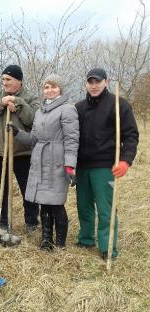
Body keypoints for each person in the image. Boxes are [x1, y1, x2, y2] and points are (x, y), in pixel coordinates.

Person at [8, 74, 79, 250]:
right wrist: (17, 132)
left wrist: (70, 165)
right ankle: (46, 240)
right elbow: (34, 139)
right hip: (40, 160)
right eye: (46, 87)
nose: (50, 90)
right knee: (44, 203)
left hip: (57, 161)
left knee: (56, 203)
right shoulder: (40, 111)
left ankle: (60, 243)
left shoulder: (67, 109)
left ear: (60, 89)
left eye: (53, 86)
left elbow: (72, 139)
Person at [75, 68, 139, 260]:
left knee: (106, 208)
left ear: (106, 82)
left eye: (98, 82)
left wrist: (126, 161)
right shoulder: (79, 107)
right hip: (82, 165)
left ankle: (107, 247)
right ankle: (86, 239)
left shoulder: (118, 105)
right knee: (83, 206)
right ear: (86, 84)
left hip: (105, 166)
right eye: (90, 82)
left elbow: (131, 136)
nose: (94, 86)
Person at [0, 65, 40, 233]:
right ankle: (2, 223)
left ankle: (31, 222)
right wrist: (0, 104)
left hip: (23, 152)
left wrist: (19, 104)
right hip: (0, 152)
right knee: (0, 190)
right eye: (3, 80)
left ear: (19, 81)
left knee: (28, 189)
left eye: (8, 80)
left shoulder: (30, 98)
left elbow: (33, 120)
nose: (4, 83)